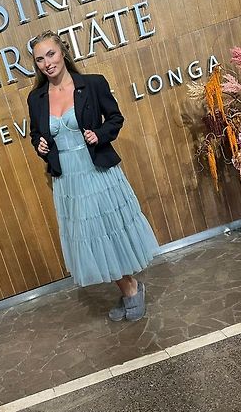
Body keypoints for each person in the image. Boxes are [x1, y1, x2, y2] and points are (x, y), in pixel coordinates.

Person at [27, 30, 159, 321]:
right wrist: (40, 145)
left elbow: (115, 118)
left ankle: (131, 289)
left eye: (51, 54)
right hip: (68, 181)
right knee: (91, 238)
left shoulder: (93, 84)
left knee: (108, 233)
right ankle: (130, 288)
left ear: (63, 52)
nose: (47, 63)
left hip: (98, 173)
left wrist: (99, 134)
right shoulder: (36, 98)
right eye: (40, 59)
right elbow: (36, 134)